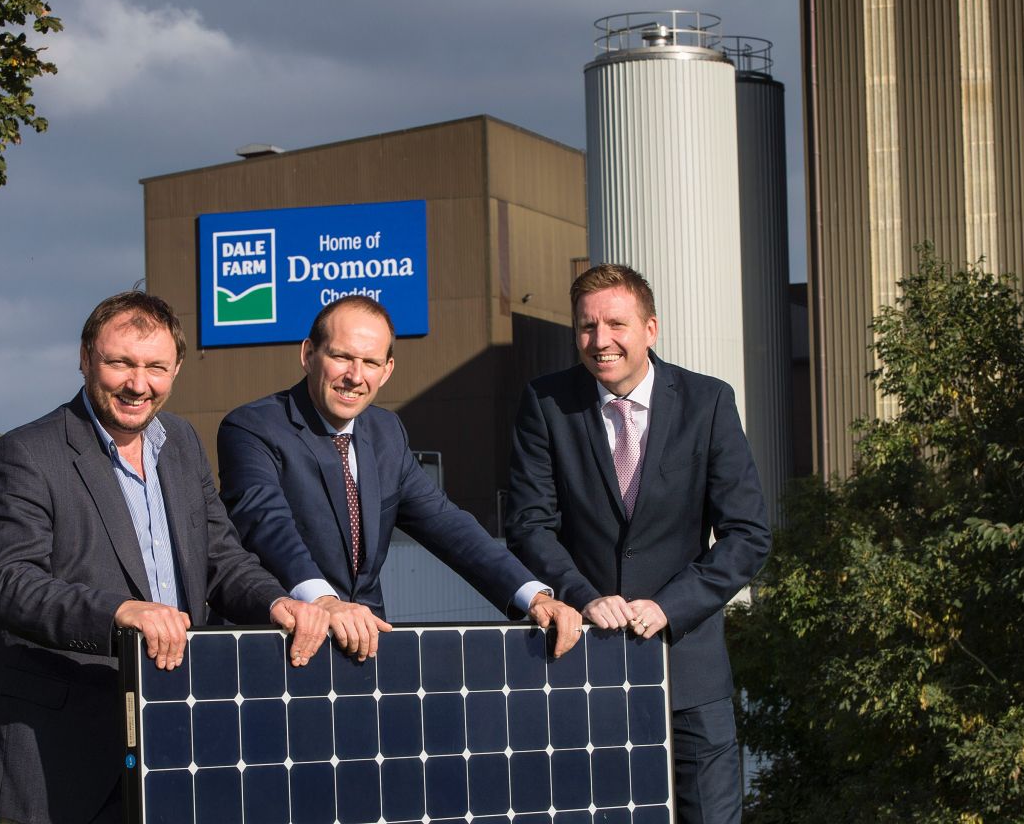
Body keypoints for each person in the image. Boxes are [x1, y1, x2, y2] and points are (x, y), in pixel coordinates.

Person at [0, 292, 329, 824]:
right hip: (63, 755)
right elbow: (7, 581)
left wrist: (275, 603)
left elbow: (223, 559)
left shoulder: (181, 442)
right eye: (121, 363)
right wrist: (119, 613)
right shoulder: (25, 454)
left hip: (175, 736)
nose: (138, 384)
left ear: (176, 368)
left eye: (156, 367)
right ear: (86, 357)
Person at [505, 264, 772, 824]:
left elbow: (747, 535)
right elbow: (529, 524)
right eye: (586, 327)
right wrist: (582, 596)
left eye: (616, 324)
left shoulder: (709, 402)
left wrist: (668, 606)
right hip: (583, 667)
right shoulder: (546, 404)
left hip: (690, 676)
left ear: (651, 329)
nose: (600, 341)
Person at [218, 295, 583, 662]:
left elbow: (448, 524)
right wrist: (324, 601)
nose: (355, 376)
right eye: (342, 357)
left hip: (368, 649)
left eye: (370, 362)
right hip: (283, 649)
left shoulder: (386, 432)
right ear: (309, 354)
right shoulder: (253, 427)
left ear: (387, 370)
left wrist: (533, 595)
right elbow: (267, 524)